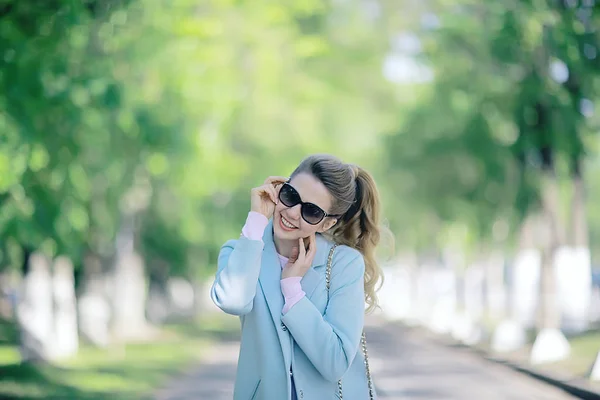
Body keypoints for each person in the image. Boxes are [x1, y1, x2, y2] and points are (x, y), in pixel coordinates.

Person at [211, 154, 384, 400]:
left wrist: (293, 290)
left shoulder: (343, 264)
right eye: (291, 196)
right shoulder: (241, 252)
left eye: (311, 212)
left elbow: (335, 362)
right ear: (280, 188)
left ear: (326, 224)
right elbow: (232, 301)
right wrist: (257, 219)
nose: (292, 213)